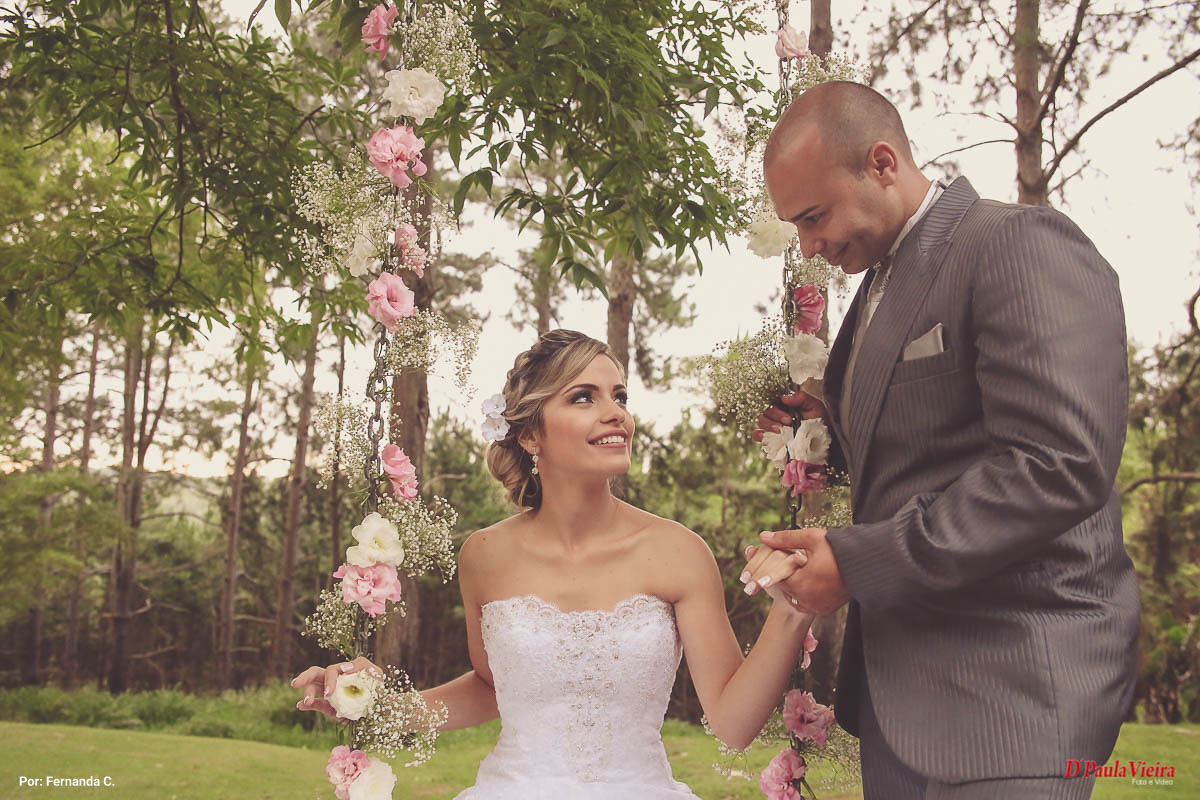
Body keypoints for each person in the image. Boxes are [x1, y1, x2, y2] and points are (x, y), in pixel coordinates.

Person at [744, 81, 1140, 799]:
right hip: (908, 699)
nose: (808, 245)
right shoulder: (878, 286)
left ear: (884, 163)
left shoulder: (1016, 243)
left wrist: (856, 564)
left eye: (814, 216)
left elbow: (1059, 464)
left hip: (1011, 691)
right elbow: (933, 446)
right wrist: (826, 419)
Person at [294, 330, 815, 799]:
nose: (616, 413)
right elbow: (494, 687)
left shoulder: (678, 552)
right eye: (584, 397)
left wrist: (792, 611)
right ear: (530, 434)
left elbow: (731, 723)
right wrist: (379, 705)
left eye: (620, 396)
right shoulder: (483, 556)